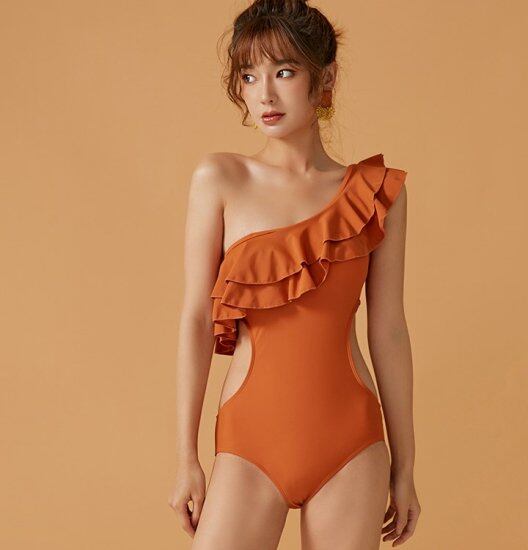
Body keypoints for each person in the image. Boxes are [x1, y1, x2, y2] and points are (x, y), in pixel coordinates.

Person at [169, 1, 420, 548]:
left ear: (324, 79)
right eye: (249, 75)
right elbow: (195, 319)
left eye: (284, 71)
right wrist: (186, 455)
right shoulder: (220, 178)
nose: (264, 94)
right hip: (248, 442)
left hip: (352, 444)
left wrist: (405, 467)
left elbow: (389, 331)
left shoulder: (375, 195)